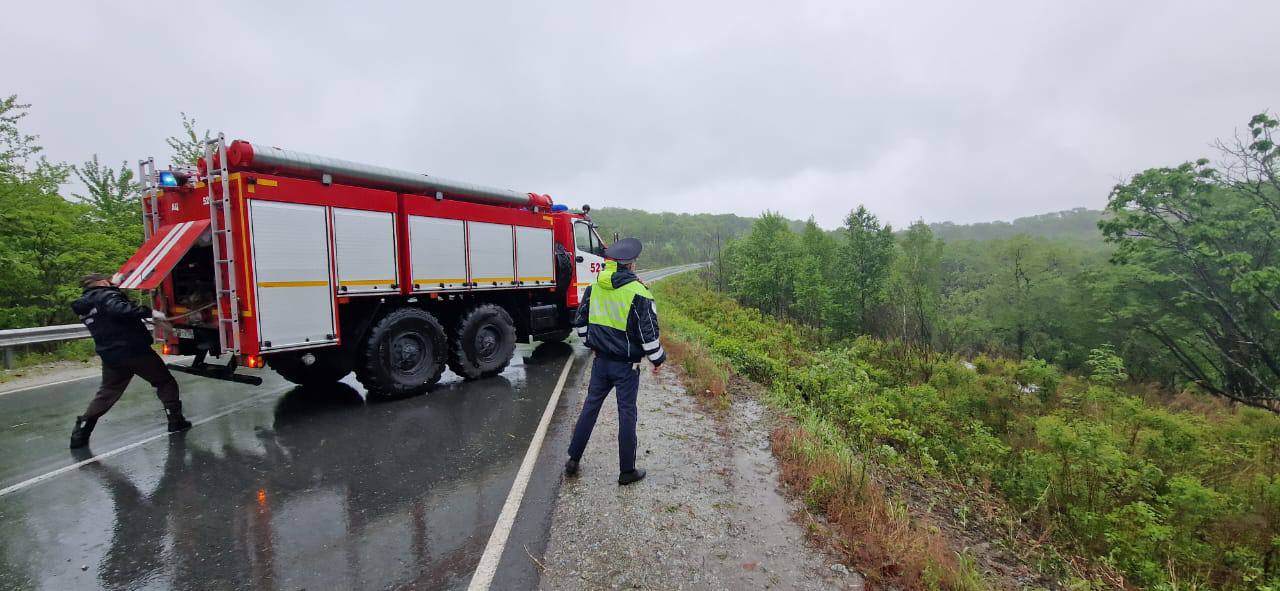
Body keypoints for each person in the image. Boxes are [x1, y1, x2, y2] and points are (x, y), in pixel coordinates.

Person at [565, 238, 666, 485]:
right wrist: (658, 360)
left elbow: (580, 324)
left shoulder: (594, 286)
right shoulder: (639, 293)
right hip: (626, 367)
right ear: (631, 265)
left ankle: (573, 460)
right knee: (627, 413)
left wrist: (592, 343)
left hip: (600, 363)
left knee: (590, 408)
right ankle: (626, 471)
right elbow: (648, 334)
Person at [69, 273, 191, 449]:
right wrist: (150, 312)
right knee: (164, 381)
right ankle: (175, 421)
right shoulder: (106, 296)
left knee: (108, 392)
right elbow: (119, 309)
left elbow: (108, 310)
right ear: (102, 282)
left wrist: (114, 288)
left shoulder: (85, 304)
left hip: (110, 355)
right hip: (134, 350)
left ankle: (81, 432)